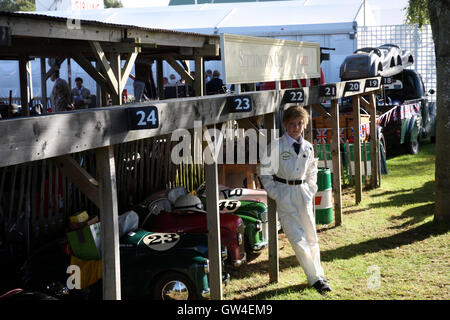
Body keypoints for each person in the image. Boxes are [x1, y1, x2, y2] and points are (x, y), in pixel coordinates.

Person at [258, 105, 332, 294]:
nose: (296, 128)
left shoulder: (308, 146)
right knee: (297, 238)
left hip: (303, 193)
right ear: (284, 125)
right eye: (292, 124)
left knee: (311, 236)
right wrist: (276, 193)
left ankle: (319, 273)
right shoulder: (275, 146)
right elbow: (265, 173)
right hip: (284, 192)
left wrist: (311, 188)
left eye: (300, 124)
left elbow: (312, 170)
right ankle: (315, 278)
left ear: (305, 124)